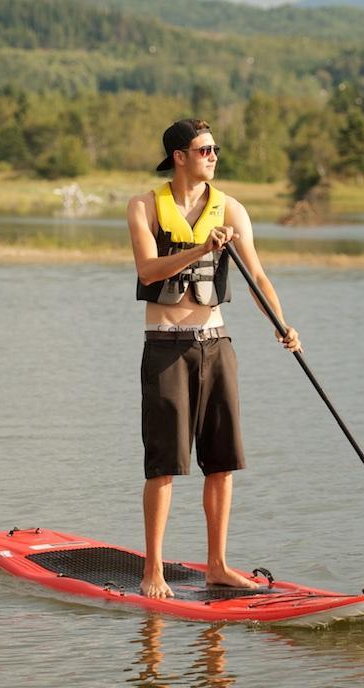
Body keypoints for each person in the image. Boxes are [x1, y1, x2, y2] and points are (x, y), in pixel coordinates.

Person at [127, 119, 302, 599]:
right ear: (179, 156)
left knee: (222, 463)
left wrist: (281, 323)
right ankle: (153, 571)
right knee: (163, 466)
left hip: (216, 343)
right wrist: (203, 247)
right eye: (204, 149)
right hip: (166, 346)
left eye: (215, 149)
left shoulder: (233, 210)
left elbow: (258, 277)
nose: (213, 156)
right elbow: (149, 268)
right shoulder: (144, 207)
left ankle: (218, 566)